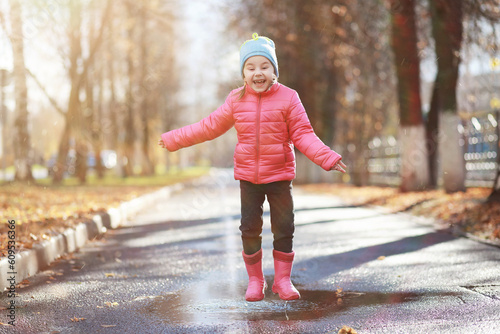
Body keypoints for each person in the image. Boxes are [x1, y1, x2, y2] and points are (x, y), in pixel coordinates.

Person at [158, 33, 347, 302]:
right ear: (244, 73)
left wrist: (326, 157)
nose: (258, 73)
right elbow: (208, 127)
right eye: (251, 67)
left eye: (264, 66)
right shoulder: (236, 100)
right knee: (249, 228)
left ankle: (282, 281)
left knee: (284, 228)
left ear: (274, 71)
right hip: (249, 177)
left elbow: (303, 133)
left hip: (280, 175)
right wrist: (173, 139)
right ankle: (255, 281)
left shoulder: (289, 98)